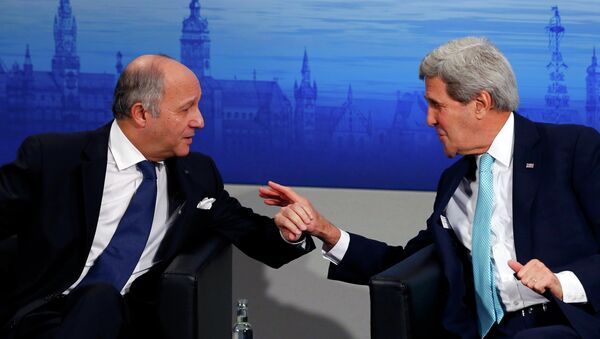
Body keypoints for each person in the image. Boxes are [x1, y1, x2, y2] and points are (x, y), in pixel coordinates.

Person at [260, 37, 600, 339]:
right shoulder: (454, 182)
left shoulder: (571, 151)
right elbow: (408, 261)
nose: (429, 119)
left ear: (480, 103)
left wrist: (562, 280)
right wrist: (325, 230)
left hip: (566, 322)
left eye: (438, 105)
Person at [0, 54, 315, 339]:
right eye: (186, 108)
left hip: (128, 321)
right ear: (141, 114)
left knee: (101, 299)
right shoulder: (53, 158)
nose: (200, 120)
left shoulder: (198, 174)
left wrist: (290, 232)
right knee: (95, 300)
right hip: (41, 316)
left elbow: (250, 231)